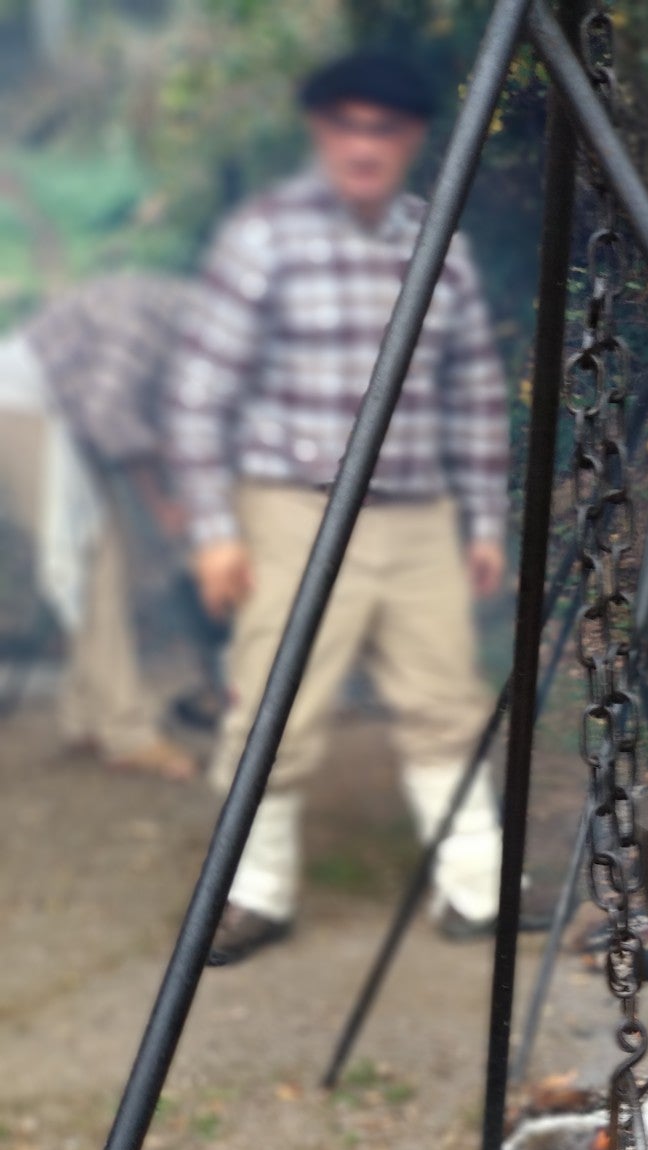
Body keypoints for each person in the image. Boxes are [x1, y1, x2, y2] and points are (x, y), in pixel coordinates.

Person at [167, 45, 510, 966]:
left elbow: (474, 392)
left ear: (415, 140)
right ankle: (254, 894)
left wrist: (484, 520)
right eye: (347, 126)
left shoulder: (444, 244)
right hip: (291, 510)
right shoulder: (263, 236)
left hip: (420, 514)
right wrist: (212, 532)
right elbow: (201, 391)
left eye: (385, 130)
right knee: (274, 708)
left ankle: (478, 891)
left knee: (447, 701)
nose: (364, 146)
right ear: (320, 131)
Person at [0, 274, 200, 780]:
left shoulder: (179, 317)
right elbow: (110, 418)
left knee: (115, 561)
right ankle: (125, 732)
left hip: (59, 415)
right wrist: (160, 503)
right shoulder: (146, 321)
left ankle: (87, 715)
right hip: (21, 408)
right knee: (92, 560)